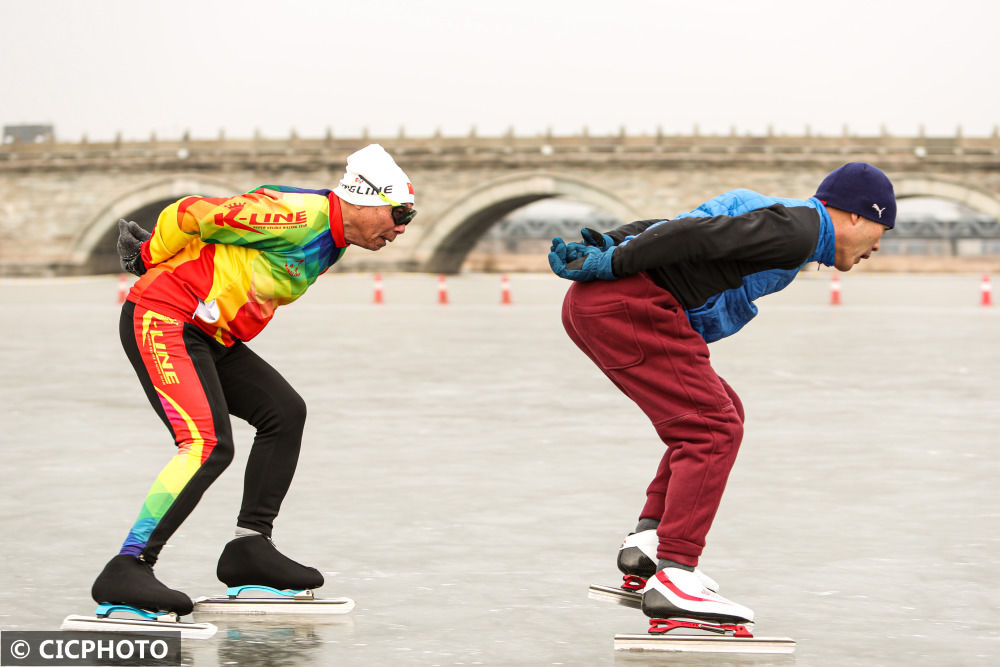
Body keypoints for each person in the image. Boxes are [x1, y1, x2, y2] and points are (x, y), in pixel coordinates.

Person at [548, 162, 895, 624]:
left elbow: (685, 227)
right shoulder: (801, 230)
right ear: (854, 216)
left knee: (721, 412)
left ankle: (649, 543)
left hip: (609, 306)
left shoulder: (787, 222)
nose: (878, 245)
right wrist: (613, 259)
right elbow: (693, 235)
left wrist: (615, 238)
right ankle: (677, 575)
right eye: (881, 228)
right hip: (627, 305)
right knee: (712, 428)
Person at [92, 144, 416, 615]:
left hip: (208, 334)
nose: (402, 227)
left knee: (284, 413)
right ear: (363, 199)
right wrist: (147, 255)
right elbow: (190, 213)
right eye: (399, 212)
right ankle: (128, 567)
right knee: (207, 444)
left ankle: (250, 551)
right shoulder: (297, 217)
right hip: (163, 317)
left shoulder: (336, 239)